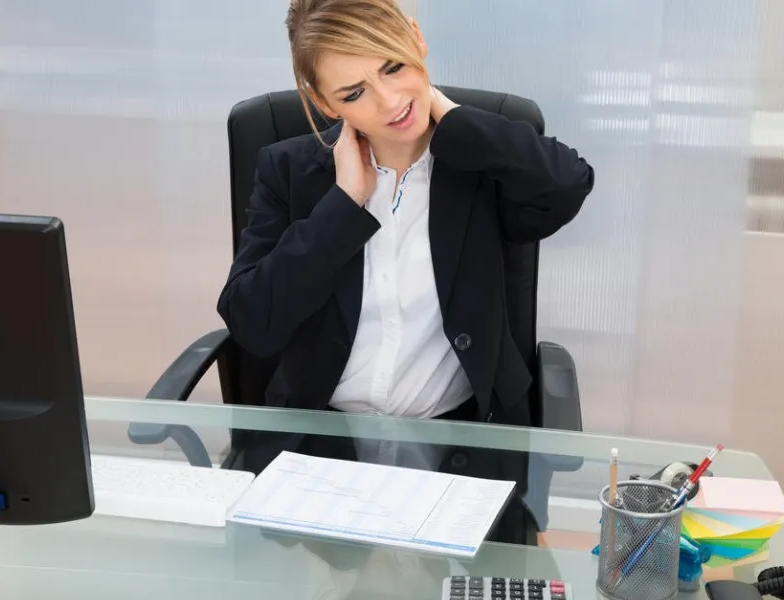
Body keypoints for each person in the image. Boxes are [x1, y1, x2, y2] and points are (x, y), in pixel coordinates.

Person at [216, 0, 594, 545]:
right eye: (354, 93)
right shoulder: (289, 171)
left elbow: (566, 185)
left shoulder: (480, 164)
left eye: (392, 66)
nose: (390, 101)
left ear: (415, 40)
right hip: (323, 446)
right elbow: (253, 322)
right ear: (324, 102)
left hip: (458, 446)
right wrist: (345, 205)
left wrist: (451, 116)